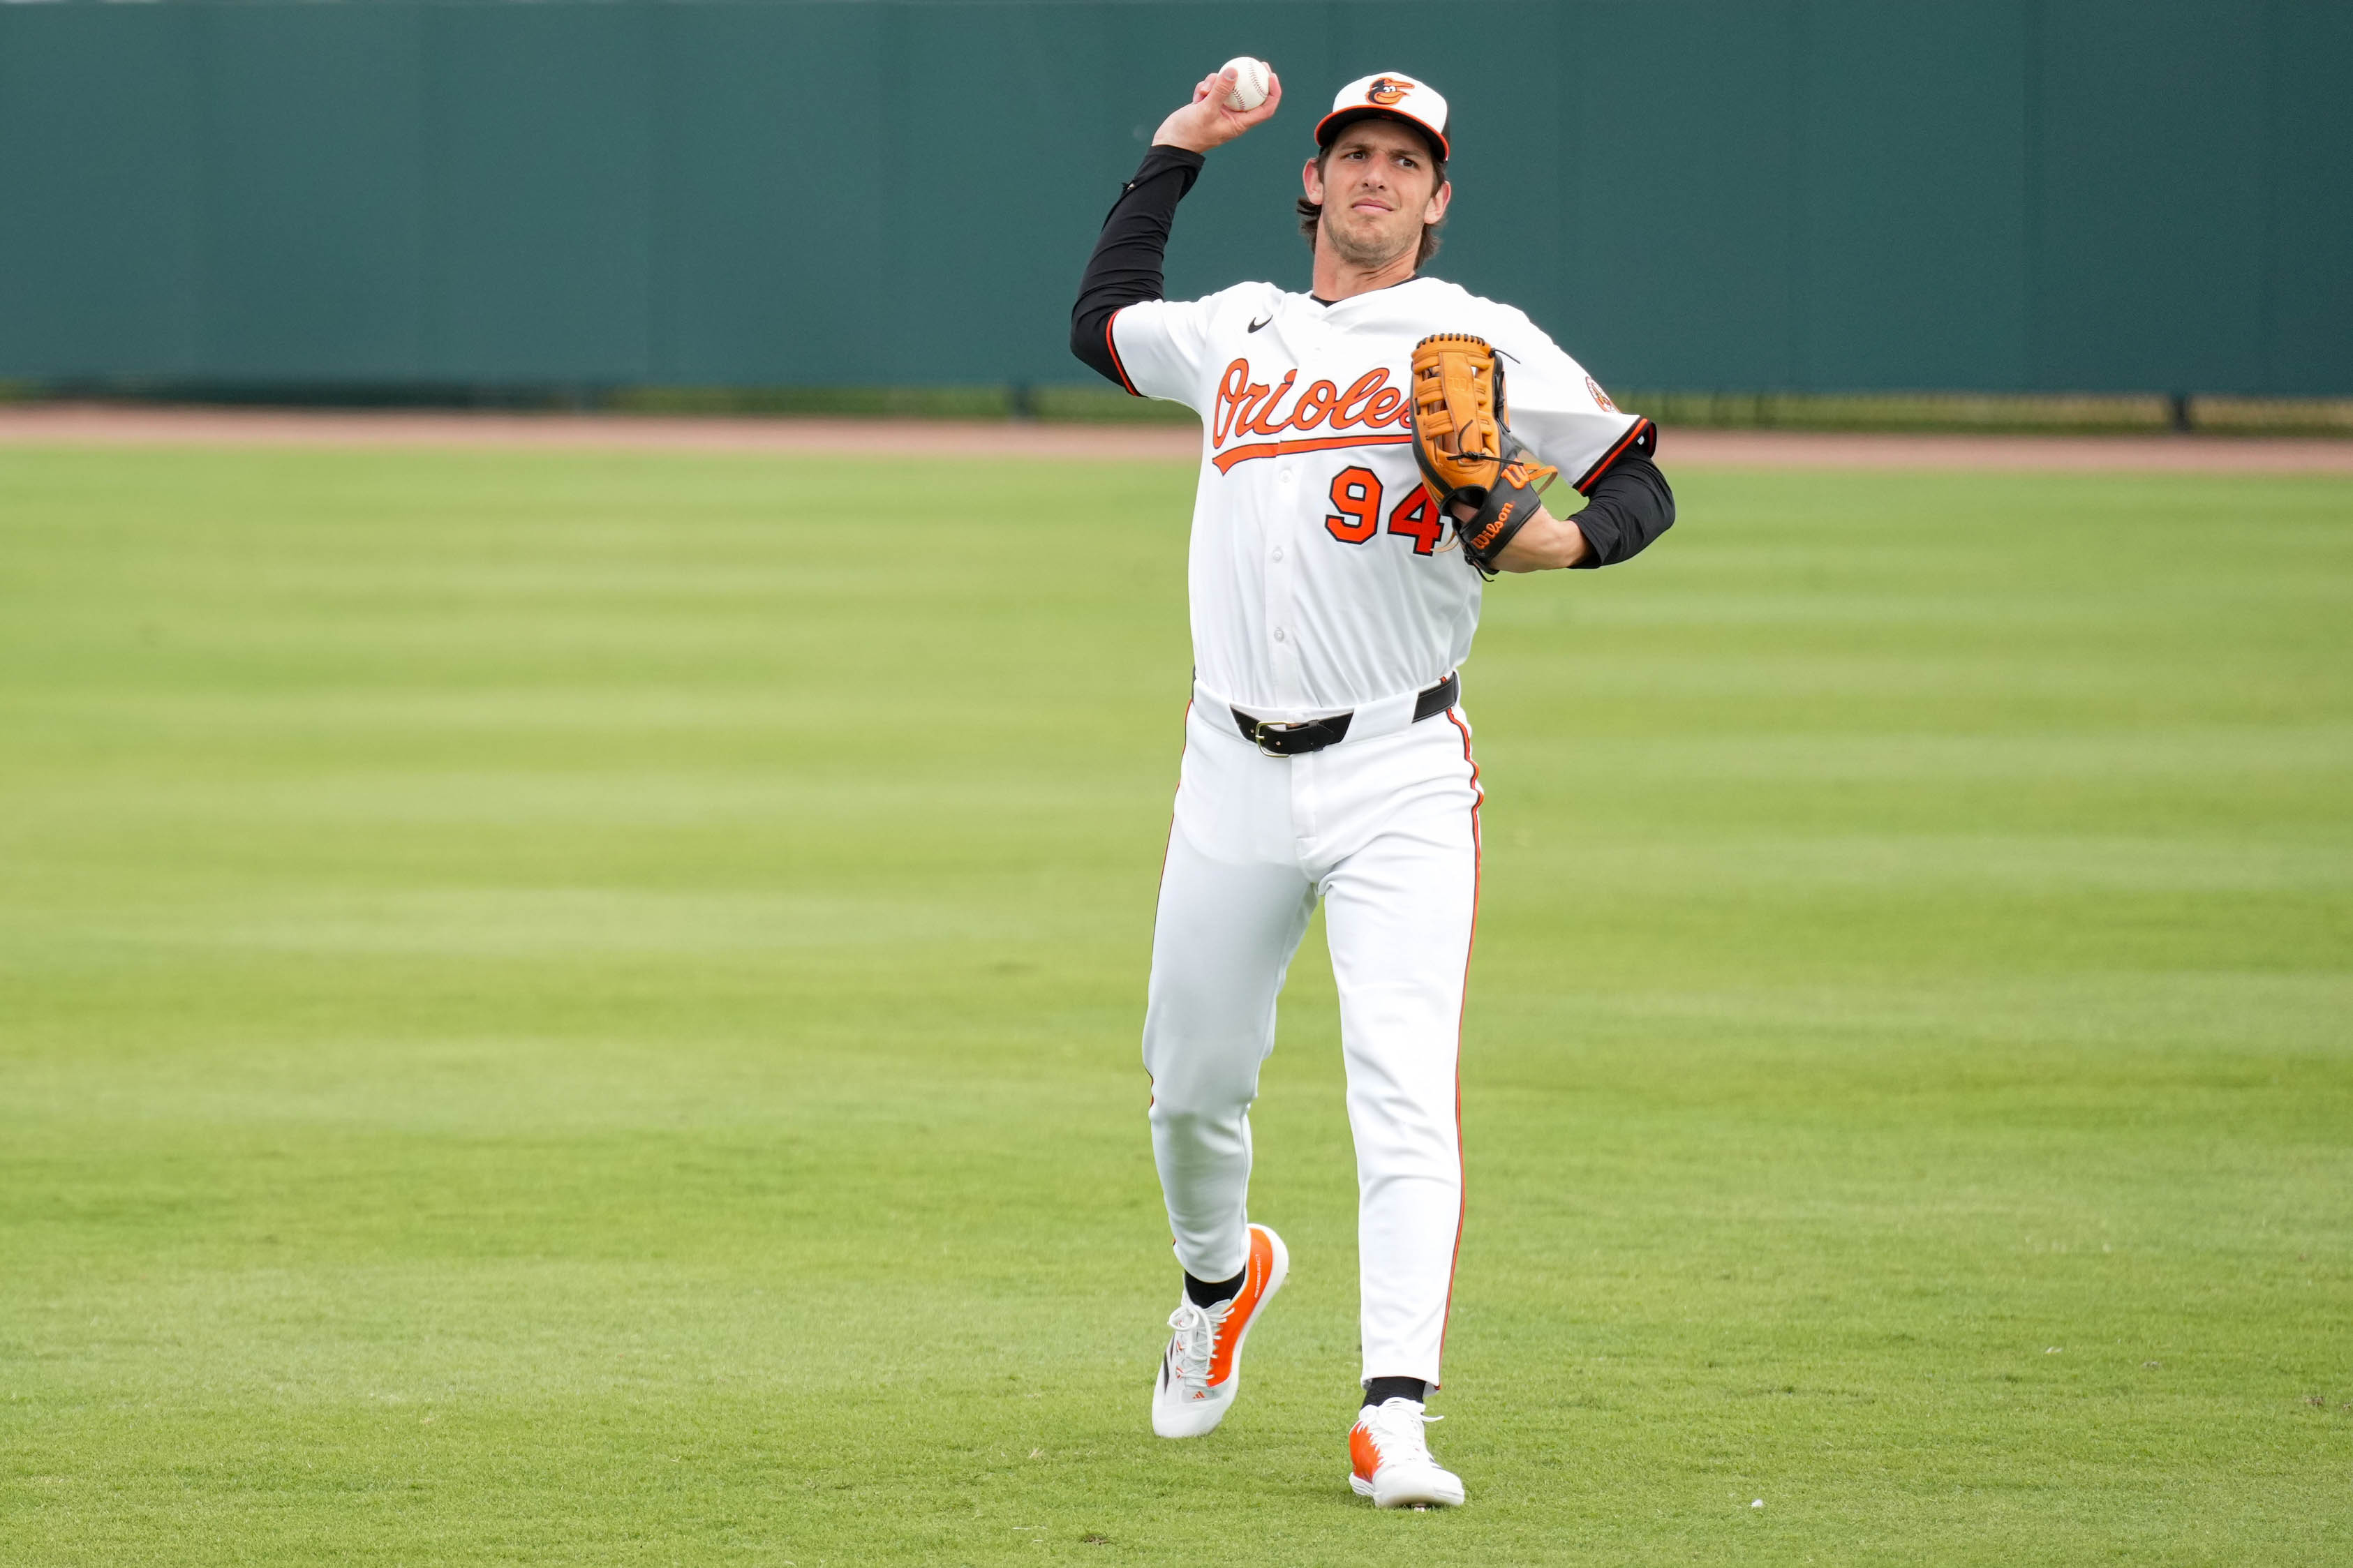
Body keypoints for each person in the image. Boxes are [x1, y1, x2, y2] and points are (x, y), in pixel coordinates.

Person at [1069, 64, 1675, 1509]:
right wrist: (1177, 146)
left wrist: (1560, 546)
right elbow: (1096, 320)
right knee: (1191, 1085)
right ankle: (1220, 1284)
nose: (1378, 175)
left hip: (1402, 766)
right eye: (1356, 151)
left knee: (1401, 1088)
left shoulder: (1479, 337)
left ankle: (1394, 1408)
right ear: (1315, 180)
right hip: (1230, 763)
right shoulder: (1238, 331)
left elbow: (1642, 481)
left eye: (1408, 157)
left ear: (1440, 194)